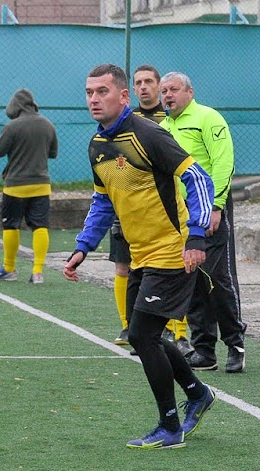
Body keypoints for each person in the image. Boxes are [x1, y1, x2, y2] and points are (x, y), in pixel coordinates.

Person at [65, 63, 216, 449]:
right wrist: (84, 246)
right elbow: (103, 201)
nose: (94, 99)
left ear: (123, 96)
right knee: (142, 335)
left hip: (172, 249)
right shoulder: (97, 146)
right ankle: (197, 394)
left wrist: (196, 235)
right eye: (89, 92)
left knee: (143, 335)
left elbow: (198, 177)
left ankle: (170, 427)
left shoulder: (149, 134)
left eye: (102, 91)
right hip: (139, 254)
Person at [160, 71, 247, 373]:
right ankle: (204, 349)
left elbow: (224, 161)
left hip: (208, 210)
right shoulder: (164, 126)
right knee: (192, 279)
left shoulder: (209, 118)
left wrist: (216, 205)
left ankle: (235, 344)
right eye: (164, 91)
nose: (167, 95)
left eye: (173, 90)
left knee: (216, 279)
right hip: (181, 215)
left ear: (189, 91)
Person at [110, 64, 192, 357]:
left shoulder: (165, 122)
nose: (143, 87)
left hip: (166, 220)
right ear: (130, 90)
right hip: (128, 215)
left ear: (158, 86)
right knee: (124, 267)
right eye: (138, 83)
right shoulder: (121, 122)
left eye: (149, 82)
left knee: (174, 271)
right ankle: (127, 326)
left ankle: (180, 332)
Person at [0, 88, 58, 284]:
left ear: (14, 107)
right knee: (40, 226)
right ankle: (38, 272)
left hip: (15, 186)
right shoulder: (48, 125)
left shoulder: (12, 127)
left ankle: (9, 268)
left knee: (11, 225)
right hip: (42, 185)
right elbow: (53, 153)